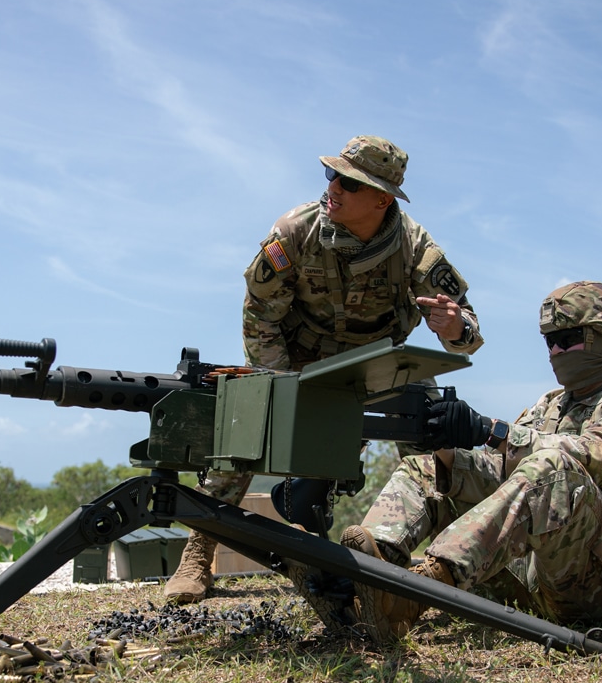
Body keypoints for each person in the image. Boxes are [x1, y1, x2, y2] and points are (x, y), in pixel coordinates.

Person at [165, 134, 485, 604]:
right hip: (295, 358)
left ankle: (447, 562)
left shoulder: (415, 248)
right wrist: (280, 386)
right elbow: (259, 314)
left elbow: (469, 330)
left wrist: (454, 327)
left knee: (436, 433)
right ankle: (197, 556)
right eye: (331, 174)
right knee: (244, 427)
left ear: (382, 199)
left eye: (348, 182)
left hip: (377, 366)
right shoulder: (296, 230)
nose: (332, 186)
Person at [336, 281, 602, 644]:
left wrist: (489, 430)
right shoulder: (551, 404)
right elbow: (503, 474)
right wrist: (448, 452)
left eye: (569, 338)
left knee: (550, 471)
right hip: (536, 578)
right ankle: (368, 579)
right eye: (550, 340)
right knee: (430, 470)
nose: (556, 351)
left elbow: (593, 458)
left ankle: (416, 594)